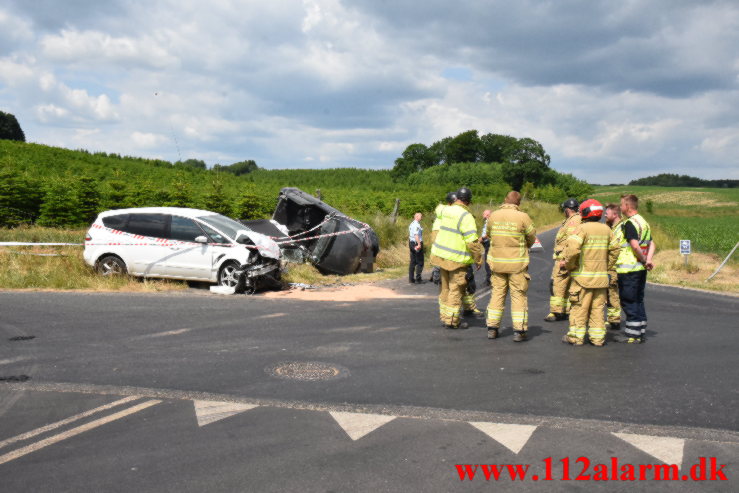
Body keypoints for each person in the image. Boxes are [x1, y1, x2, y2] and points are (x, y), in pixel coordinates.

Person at [561, 199, 620, 346]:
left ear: (585, 212)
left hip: (582, 280)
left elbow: (573, 251)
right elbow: (615, 250)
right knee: (598, 310)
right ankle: (598, 339)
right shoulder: (606, 229)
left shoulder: (582, 229)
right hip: (600, 280)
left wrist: (569, 265)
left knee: (579, 309)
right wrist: (607, 266)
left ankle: (576, 338)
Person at [484, 191, 536, 341]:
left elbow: (488, 234)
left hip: (497, 264)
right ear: (518, 203)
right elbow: (532, 236)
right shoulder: (523, 217)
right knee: (518, 296)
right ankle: (519, 331)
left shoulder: (493, 215)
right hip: (517, 265)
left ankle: (492, 329)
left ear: (505, 200)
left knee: (497, 295)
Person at [430, 187, 483, 329]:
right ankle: (452, 321)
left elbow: (438, 208)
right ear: (468, 202)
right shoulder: (466, 217)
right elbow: (472, 243)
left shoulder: (445, 210)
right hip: (457, 260)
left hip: (441, 258)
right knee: (456, 289)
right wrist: (478, 259)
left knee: (444, 289)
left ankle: (444, 317)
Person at [613, 194, 656, 344]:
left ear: (628, 206)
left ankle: (632, 334)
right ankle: (641, 329)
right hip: (640, 269)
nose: (620, 207)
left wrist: (643, 259)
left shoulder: (629, 223)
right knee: (638, 299)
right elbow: (652, 244)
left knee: (629, 301)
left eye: (622, 205)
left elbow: (634, 245)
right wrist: (648, 260)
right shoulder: (643, 222)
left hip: (628, 269)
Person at [544, 198, 581, 322]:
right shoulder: (572, 220)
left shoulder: (573, 222)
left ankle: (556, 312)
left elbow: (571, 242)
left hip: (564, 260)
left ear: (568, 209)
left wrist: (565, 260)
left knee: (557, 284)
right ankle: (565, 310)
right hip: (568, 259)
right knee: (567, 285)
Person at [604, 203, 623, 330]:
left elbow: (615, 248)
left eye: (607, 213)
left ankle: (614, 320)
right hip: (610, 265)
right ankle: (612, 318)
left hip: (614, 266)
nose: (605, 215)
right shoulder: (611, 227)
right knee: (609, 293)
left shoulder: (620, 228)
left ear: (615, 214)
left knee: (612, 293)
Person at [408, 212, 424, 283]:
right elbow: (416, 235)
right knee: (420, 261)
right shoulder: (416, 225)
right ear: (417, 217)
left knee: (413, 261)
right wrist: (419, 244)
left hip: (411, 243)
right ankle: (418, 278)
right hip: (416, 243)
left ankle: (411, 279)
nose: (422, 217)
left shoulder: (412, 223)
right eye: (421, 216)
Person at [479, 209, 492, 286]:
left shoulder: (489, 222)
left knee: (488, 262)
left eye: (484, 214)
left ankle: (489, 280)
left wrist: (482, 238)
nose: (482, 215)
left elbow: (488, 233)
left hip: (488, 242)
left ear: (487, 215)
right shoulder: (487, 221)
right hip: (486, 242)